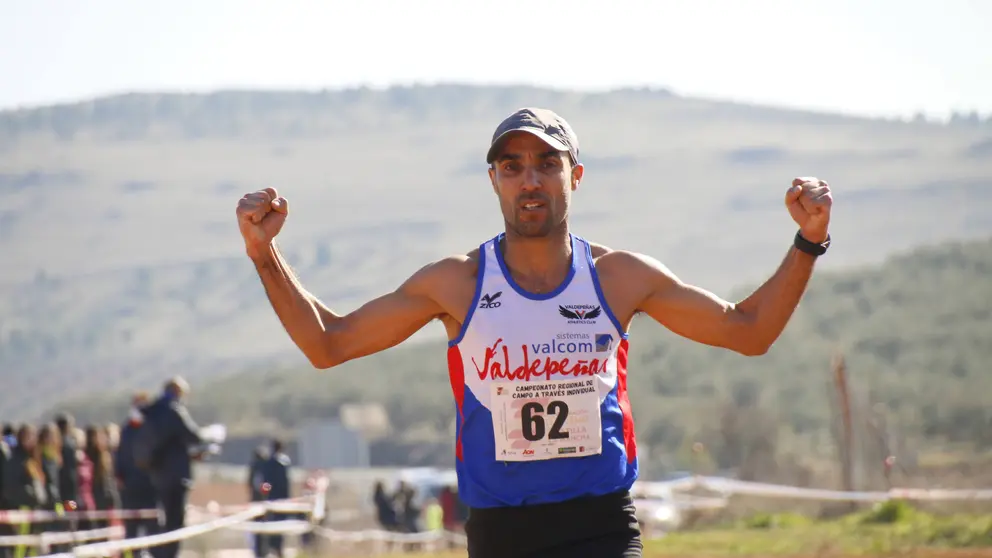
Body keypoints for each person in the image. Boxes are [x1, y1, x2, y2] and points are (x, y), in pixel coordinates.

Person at [236, 107, 834, 558]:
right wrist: (265, 254)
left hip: (602, 527)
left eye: (547, 164)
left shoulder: (619, 277)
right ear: (493, 179)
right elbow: (328, 343)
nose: (531, 180)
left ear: (575, 176)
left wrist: (808, 241)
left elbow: (749, 331)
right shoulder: (458, 284)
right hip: (502, 535)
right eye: (513, 166)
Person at [141, 377, 204, 558]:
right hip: (177, 477)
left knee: (164, 519)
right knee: (175, 523)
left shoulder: (152, 412)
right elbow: (192, 434)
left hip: (158, 474)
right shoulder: (174, 410)